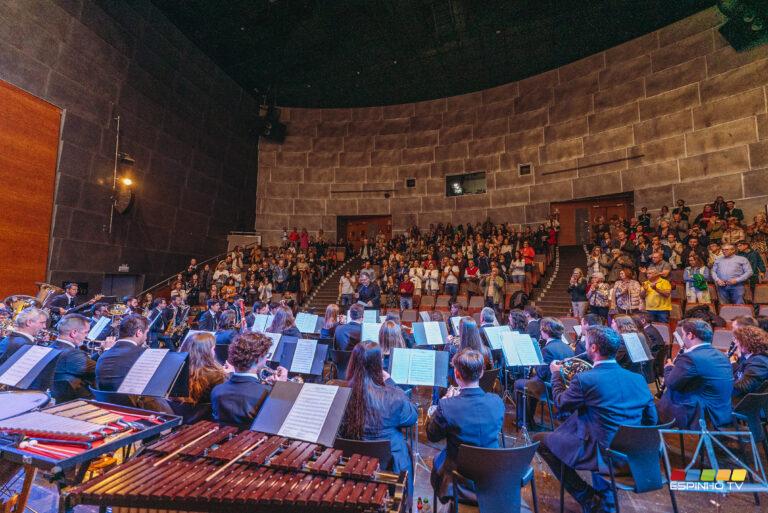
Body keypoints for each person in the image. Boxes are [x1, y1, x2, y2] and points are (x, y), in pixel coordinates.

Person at [534, 326, 658, 513]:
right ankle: (603, 495)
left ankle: (588, 497)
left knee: (540, 441)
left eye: (587, 343)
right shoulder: (638, 379)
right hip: (636, 452)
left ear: (593, 349)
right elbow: (651, 419)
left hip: (601, 451)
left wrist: (556, 375)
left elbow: (561, 403)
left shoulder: (585, 379)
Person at [427, 349, 505, 503]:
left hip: (460, 477)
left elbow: (432, 435)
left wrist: (439, 408)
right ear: (482, 373)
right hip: (493, 473)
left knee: (438, 459)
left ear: (456, 374)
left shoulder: (447, 405)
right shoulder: (497, 402)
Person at [340, 341, 417, 491]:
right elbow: (412, 417)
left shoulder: (340, 394)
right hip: (390, 468)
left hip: (350, 463)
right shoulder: (393, 395)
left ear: (353, 363)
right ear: (379, 364)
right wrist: (390, 382)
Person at [658, 319, 733, 429]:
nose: (683, 338)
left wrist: (669, 367)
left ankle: (655, 440)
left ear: (690, 335)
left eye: (683, 334)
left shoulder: (690, 357)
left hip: (702, 413)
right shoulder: (721, 354)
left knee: (653, 408)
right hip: (722, 410)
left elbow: (671, 383)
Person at [211, 332, 287, 428]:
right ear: (258, 358)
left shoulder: (217, 390)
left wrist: (263, 384)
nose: (266, 360)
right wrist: (282, 388)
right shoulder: (268, 394)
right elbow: (278, 421)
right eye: (266, 356)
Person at [514, 317, 574, 428]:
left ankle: (523, 422)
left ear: (546, 332)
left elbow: (541, 374)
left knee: (519, 383)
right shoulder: (568, 348)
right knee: (530, 383)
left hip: (550, 388)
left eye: (541, 330)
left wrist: (534, 363)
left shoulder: (548, 349)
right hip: (564, 387)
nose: (540, 332)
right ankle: (529, 420)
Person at [50, 314, 99, 400]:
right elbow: (100, 370)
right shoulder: (72, 354)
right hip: (79, 400)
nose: (86, 336)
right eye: (86, 332)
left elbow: (86, 362)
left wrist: (99, 353)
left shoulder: (51, 347)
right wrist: (108, 350)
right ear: (74, 333)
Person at [95, 314, 149, 391]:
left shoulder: (103, 355)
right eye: (146, 333)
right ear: (139, 332)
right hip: (128, 401)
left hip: (104, 401)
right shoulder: (144, 354)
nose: (146, 337)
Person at [731, 325, 768, 398]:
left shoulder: (759, 361)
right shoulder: (752, 357)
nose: (736, 343)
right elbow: (739, 375)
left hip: (740, 403)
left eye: (738, 341)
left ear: (746, 343)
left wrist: (722, 386)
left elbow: (745, 386)